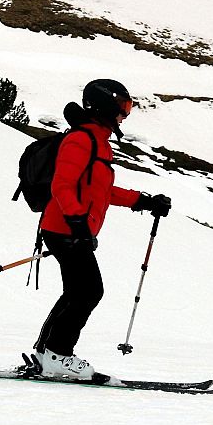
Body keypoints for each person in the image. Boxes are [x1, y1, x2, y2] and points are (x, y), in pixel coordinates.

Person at [31, 79, 170, 380]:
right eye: (123, 108)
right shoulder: (81, 140)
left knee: (78, 291)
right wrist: (78, 222)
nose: (125, 115)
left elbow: (103, 190)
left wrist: (144, 201)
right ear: (106, 106)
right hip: (65, 228)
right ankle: (57, 354)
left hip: (71, 229)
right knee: (89, 290)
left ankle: (47, 353)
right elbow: (62, 185)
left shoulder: (98, 142)